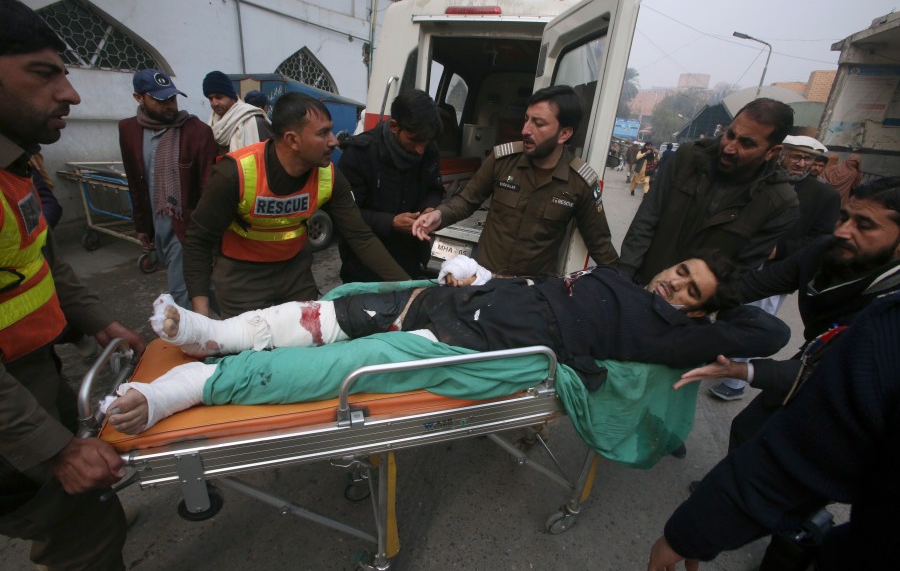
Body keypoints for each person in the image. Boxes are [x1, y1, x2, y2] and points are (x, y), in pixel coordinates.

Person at [107, 251, 791, 434]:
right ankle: (214, 335)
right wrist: (481, 276)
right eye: (681, 271)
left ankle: (189, 385)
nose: (675, 285)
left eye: (692, 289)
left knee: (349, 364)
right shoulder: (619, 278)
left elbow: (772, 329)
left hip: (482, 350)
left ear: (703, 310)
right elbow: (544, 287)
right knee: (330, 312)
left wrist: (731, 299)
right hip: (463, 300)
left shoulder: (667, 332)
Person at [0, 0, 146, 570]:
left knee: (82, 500)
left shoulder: (15, 169)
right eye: (44, 73)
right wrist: (56, 450)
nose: (71, 92)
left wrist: (101, 322)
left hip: (34, 372)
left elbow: (42, 263)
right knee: (85, 528)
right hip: (12, 403)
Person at [647, 292, 900, 571]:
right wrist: (696, 530)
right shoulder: (885, 330)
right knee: (747, 427)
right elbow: (803, 456)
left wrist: (743, 370)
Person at [676, 176, 900, 447]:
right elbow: (752, 285)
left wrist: (743, 370)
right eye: (844, 218)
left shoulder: (891, 308)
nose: (843, 231)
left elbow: (826, 372)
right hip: (816, 350)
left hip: (858, 386)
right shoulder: (823, 250)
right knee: (751, 427)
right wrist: (687, 299)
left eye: (865, 225)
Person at [183, 92, 411, 318]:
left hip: (295, 274)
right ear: (292, 140)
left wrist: (410, 288)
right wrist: (200, 314)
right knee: (251, 350)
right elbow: (198, 239)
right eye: (323, 133)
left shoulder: (329, 175)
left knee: (310, 343)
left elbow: (360, 236)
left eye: (331, 130)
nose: (334, 141)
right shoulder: (235, 173)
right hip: (242, 280)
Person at [411, 85, 618, 275]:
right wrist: (439, 215)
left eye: (538, 123)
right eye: (526, 119)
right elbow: (466, 201)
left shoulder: (579, 181)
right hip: (484, 280)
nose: (525, 130)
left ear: (564, 133)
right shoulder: (502, 159)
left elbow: (600, 243)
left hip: (531, 291)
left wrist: (624, 286)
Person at [709, 135, 839, 401]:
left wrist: (779, 251)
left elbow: (821, 239)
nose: (801, 163)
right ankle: (719, 355)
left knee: (757, 321)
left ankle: (735, 383)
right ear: (782, 155)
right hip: (740, 261)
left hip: (777, 271)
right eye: (796, 157)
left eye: (807, 159)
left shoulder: (825, 195)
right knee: (726, 308)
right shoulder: (762, 183)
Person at [617, 98, 800, 285]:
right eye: (730, 134)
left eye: (746, 143)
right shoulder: (689, 156)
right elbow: (648, 217)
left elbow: (740, 274)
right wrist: (625, 274)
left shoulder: (779, 202)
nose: (729, 148)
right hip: (641, 284)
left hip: (690, 308)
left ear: (772, 151)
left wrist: (694, 304)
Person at [119, 69, 217, 309]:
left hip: (186, 226)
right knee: (207, 288)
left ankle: (191, 341)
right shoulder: (129, 130)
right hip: (157, 224)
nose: (169, 106)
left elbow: (208, 186)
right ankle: (238, 324)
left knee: (180, 293)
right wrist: (142, 225)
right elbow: (134, 181)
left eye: (171, 99)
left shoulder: (197, 132)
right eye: (160, 100)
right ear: (139, 98)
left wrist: (207, 235)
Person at [337, 89, 443, 282]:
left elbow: (434, 189)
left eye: (426, 142)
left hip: (410, 258)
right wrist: (390, 222)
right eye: (414, 140)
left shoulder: (429, 151)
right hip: (363, 266)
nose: (420, 150)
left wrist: (429, 209)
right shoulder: (360, 154)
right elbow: (344, 215)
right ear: (394, 126)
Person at [202, 70, 272, 154]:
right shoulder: (212, 125)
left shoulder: (255, 122)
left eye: (219, 97)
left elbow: (270, 157)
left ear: (231, 95)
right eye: (210, 99)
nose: (214, 103)